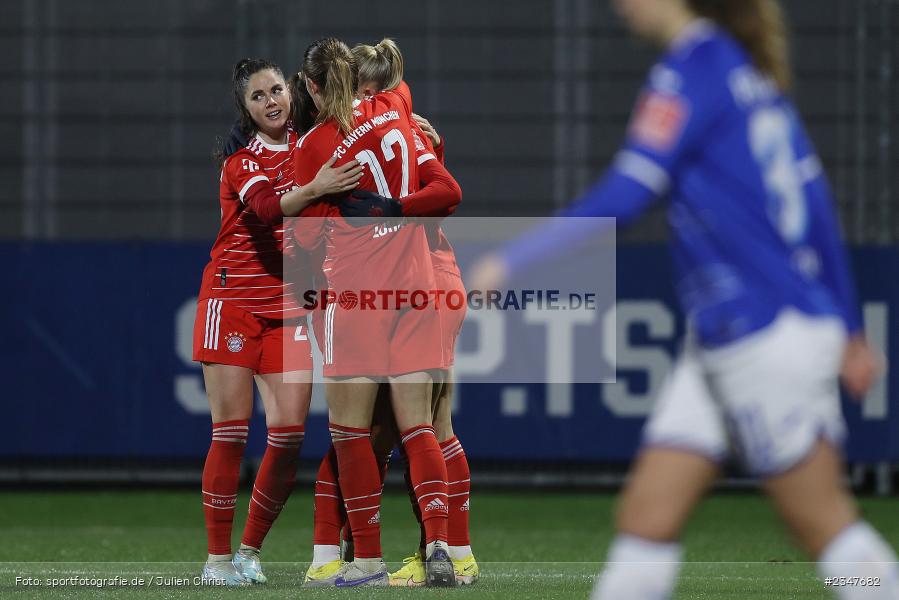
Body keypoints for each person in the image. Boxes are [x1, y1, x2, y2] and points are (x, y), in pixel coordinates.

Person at [471, 1, 899, 599]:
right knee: (648, 518)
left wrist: (511, 260)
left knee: (828, 532)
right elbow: (817, 210)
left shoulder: (691, 69)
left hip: (761, 330)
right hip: (734, 335)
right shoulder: (743, 73)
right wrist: (849, 327)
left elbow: (629, 190)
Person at [291, 37, 462, 588]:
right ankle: (441, 545)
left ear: (313, 88)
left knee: (350, 433)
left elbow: (306, 240)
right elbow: (437, 177)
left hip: (358, 295)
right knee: (421, 426)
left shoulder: (316, 144)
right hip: (416, 286)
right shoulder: (396, 105)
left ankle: (365, 559)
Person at [193, 57, 363, 585]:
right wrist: (317, 189)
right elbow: (269, 210)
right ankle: (216, 560)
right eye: (258, 96)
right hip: (233, 305)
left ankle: (248, 551)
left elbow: (370, 133)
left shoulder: (313, 145)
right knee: (230, 435)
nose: (271, 101)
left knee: (289, 436)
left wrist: (418, 128)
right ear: (246, 110)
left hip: (289, 309)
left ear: (292, 92)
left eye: (276, 90)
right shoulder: (241, 162)